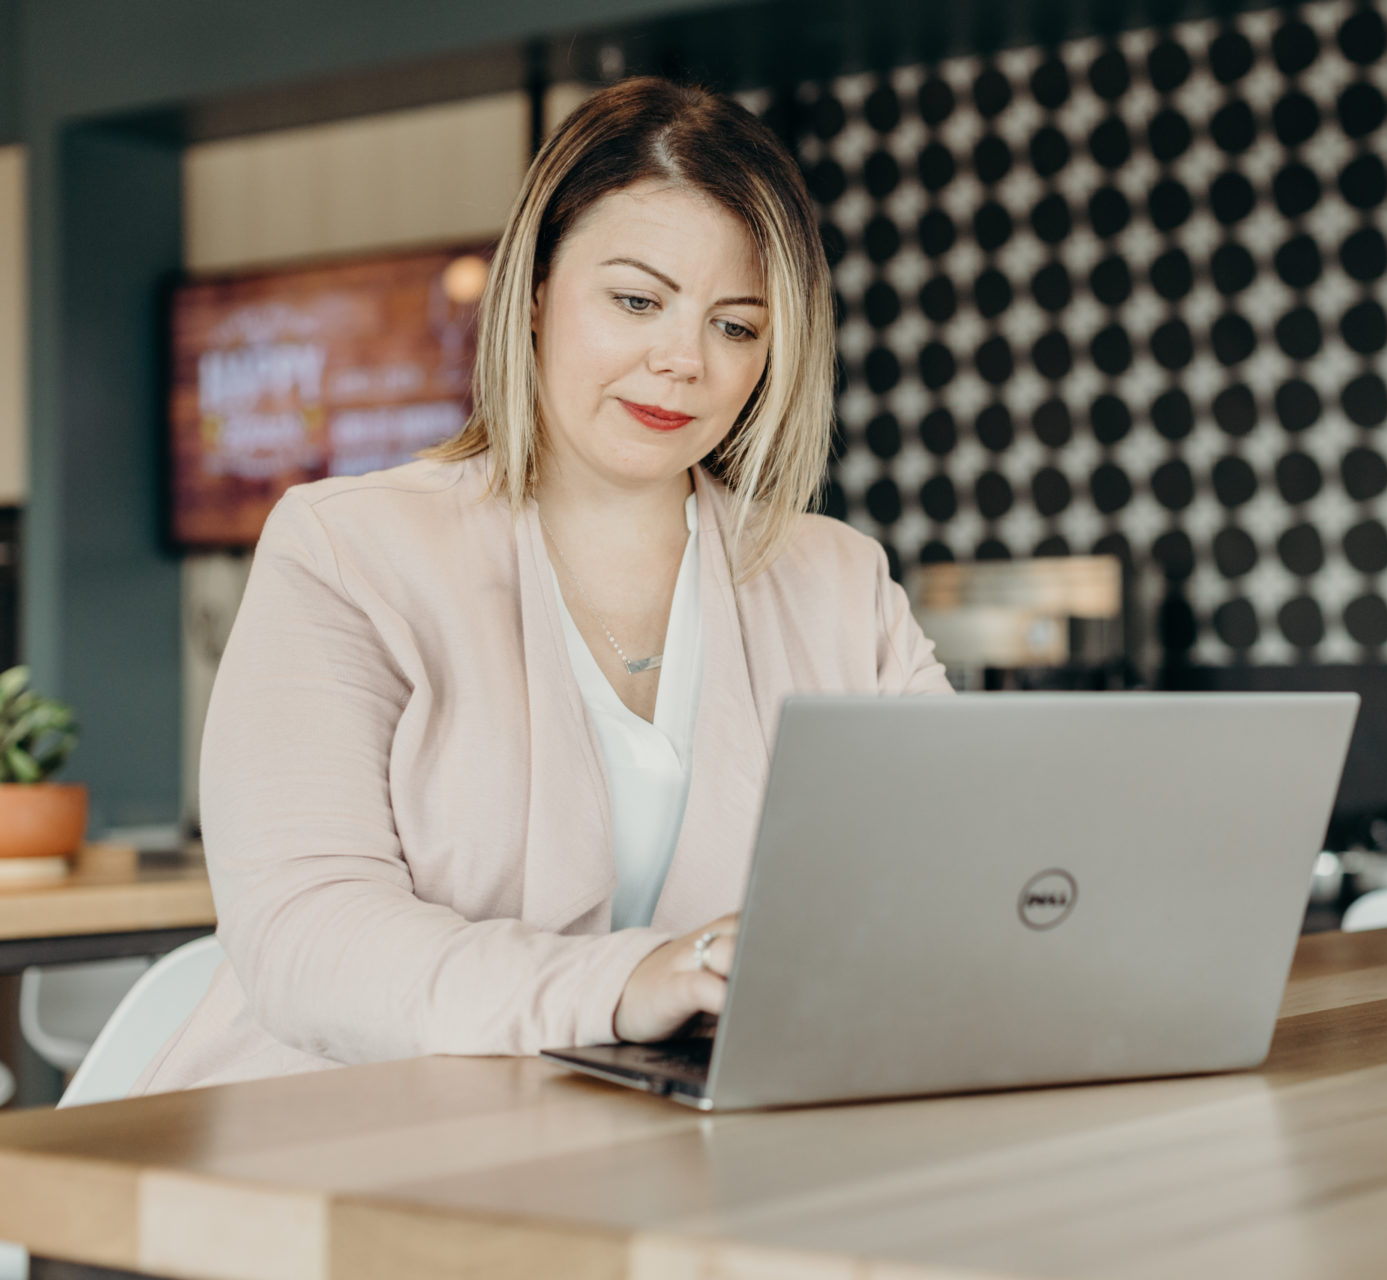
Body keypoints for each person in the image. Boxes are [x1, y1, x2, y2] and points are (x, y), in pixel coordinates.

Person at [136, 78, 949, 1094]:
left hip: (674, 1159)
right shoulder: (345, 551)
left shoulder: (838, 580)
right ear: (533, 295)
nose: (682, 360)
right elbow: (306, 939)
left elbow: (953, 882)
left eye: (736, 325)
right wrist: (627, 983)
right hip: (333, 1154)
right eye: (637, 301)